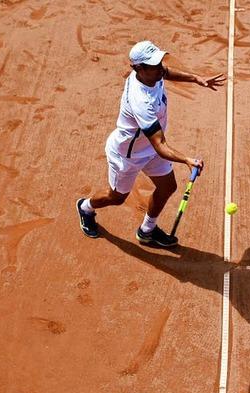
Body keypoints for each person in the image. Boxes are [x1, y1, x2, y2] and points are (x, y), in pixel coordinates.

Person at [76, 40, 225, 247]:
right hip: (128, 155)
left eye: (158, 62)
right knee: (116, 197)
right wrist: (187, 160)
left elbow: (166, 72)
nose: (159, 67)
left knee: (167, 187)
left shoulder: (151, 74)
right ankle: (85, 207)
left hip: (149, 148)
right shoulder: (141, 101)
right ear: (138, 68)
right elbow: (161, 145)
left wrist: (196, 78)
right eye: (153, 65)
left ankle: (147, 231)